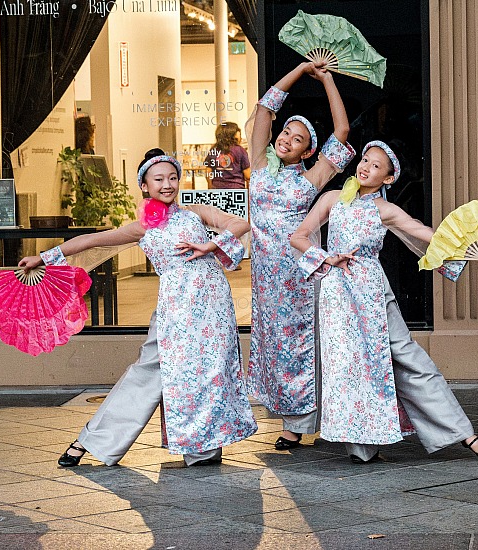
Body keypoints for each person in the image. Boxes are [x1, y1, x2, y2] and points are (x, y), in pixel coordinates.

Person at [19, 148, 258, 467]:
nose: (168, 184)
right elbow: (92, 240)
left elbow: (239, 223)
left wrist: (210, 245)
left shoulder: (196, 211)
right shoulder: (143, 227)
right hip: (176, 306)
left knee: (211, 370)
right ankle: (94, 440)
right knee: (152, 370)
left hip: (213, 303)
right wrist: (44, 257)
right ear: (144, 185)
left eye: (173, 177)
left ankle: (203, 446)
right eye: (158, 179)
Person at [290, 140, 478, 464]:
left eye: (376, 166)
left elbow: (425, 233)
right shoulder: (332, 199)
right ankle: (362, 446)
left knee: (410, 358)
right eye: (365, 160)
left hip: (374, 294)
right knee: (347, 367)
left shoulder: (384, 209)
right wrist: (328, 257)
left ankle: (465, 435)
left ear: (388, 179)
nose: (365, 167)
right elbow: (299, 236)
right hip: (337, 295)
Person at [246, 62, 355, 450]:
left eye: (298, 139)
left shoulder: (312, 178)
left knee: (306, 345)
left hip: (301, 275)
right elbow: (264, 109)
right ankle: (296, 417)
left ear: (308, 151)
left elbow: (341, 133)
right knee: (276, 346)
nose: (287, 140)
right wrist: (298, 69)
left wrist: (325, 79)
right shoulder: (258, 164)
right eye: (286, 133)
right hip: (264, 278)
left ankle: (304, 424)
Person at [205, 122, 251, 189]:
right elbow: (248, 175)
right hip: (236, 189)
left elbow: (208, 172)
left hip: (217, 189)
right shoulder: (240, 150)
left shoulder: (214, 150)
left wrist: (210, 189)